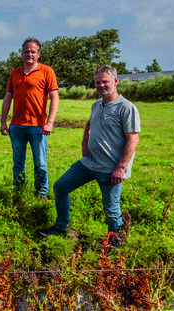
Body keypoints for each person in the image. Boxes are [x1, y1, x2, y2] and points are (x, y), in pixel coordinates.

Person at [37, 65, 140, 246]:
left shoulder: (126, 108)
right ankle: (60, 227)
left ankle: (114, 245)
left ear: (115, 82)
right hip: (89, 164)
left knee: (111, 209)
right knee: (60, 187)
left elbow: (133, 139)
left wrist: (121, 168)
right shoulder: (96, 105)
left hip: (111, 169)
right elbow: (89, 124)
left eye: (105, 82)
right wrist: (85, 143)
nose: (101, 85)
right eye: (97, 82)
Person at [0, 37, 60, 200]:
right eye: (26, 51)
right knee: (18, 164)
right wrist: (3, 122)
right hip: (17, 126)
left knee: (40, 163)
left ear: (38, 54)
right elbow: (7, 98)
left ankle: (41, 194)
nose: (29, 54)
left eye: (33, 51)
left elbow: (55, 97)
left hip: (38, 126)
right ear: (22, 54)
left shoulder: (47, 71)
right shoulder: (14, 73)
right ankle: (19, 193)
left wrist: (49, 122)